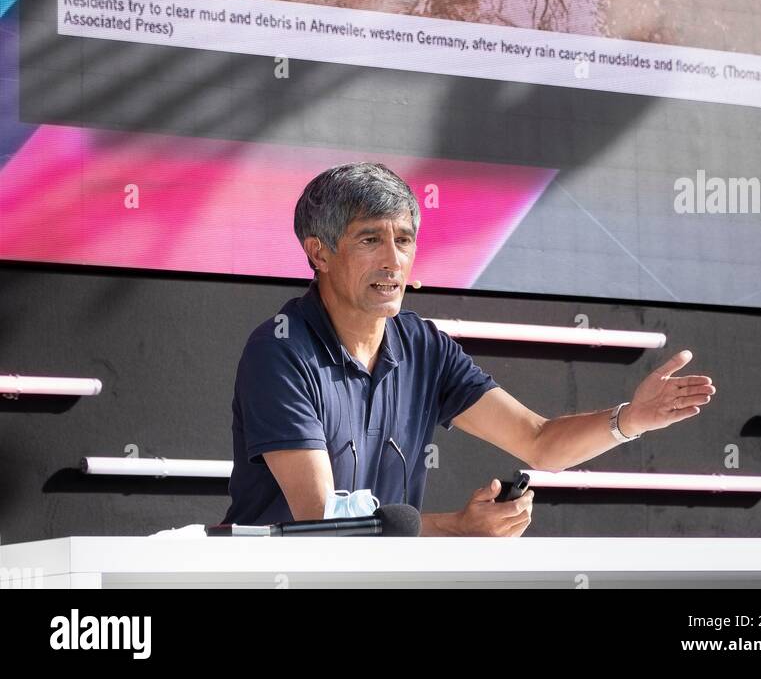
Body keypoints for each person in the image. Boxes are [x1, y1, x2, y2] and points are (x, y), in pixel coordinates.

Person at [224, 163, 716, 536]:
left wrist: (630, 419)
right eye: (370, 239)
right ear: (319, 253)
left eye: (404, 240)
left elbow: (540, 441)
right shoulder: (280, 351)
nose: (394, 260)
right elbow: (323, 524)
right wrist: (459, 526)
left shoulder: (424, 347)